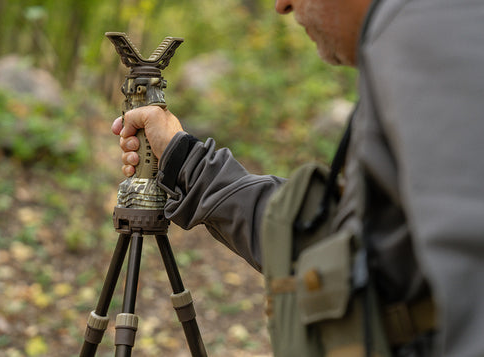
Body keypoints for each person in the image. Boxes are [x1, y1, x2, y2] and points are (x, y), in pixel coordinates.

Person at [111, 0, 484, 356]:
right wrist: (183, 158)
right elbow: (337, 249)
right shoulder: (411, 40)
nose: (281, 6)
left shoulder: (430, 33)